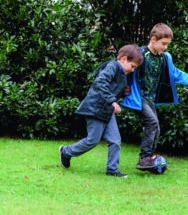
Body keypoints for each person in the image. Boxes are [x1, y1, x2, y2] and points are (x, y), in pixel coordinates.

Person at [121, 23, 188, 172]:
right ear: (153, 39)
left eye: (168, 44)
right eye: (163, 44)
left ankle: (148, 159)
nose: (166, 47)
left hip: (150, 99)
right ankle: (144, 158)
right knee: (152, 123)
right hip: (139, 97)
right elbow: (125, 69)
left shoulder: (165, 58)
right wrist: (123, 88)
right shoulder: (141, 54)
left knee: (156, 128)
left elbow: (176, 74)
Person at [59, 44, 144, 178]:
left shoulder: (122, 74)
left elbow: (112, 89)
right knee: (93, 140)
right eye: (132, 66)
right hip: (94, 108)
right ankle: (66, 152)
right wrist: (113, 101)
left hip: (107, 111)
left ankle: (112, 170)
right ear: (123, 59)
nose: (132, 70)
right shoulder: (112, 66)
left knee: (115, 140)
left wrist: (123, 93)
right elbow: (101, 82)